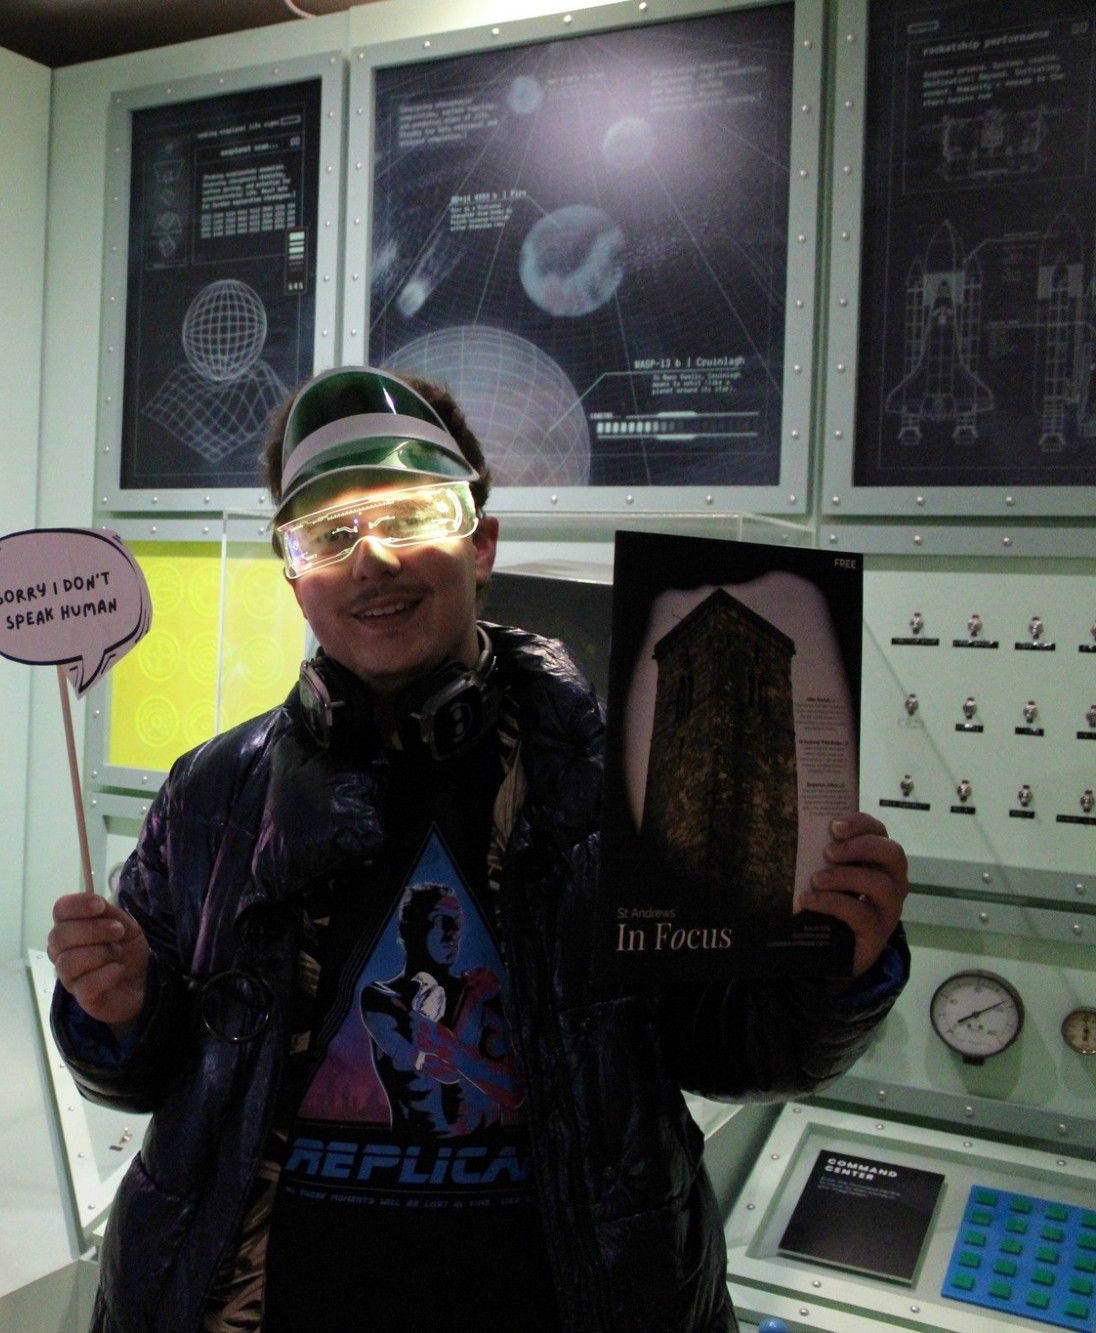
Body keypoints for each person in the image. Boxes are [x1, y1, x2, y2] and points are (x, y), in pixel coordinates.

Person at [47, 366, 909, 1332]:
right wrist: (118, 1009)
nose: (371, 562)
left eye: (412, 516)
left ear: (482, 541)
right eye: (329, 535)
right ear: (292, 574)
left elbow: (728, 1048)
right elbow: (148, 1075)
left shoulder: (618, 771)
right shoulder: (212, 795)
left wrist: (833, 969)